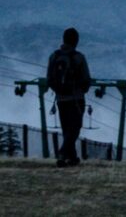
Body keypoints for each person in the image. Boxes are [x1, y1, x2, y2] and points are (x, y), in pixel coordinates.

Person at [46, 27, 92, 168]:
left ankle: (72, 158)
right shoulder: (79, 57)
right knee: (75, 128)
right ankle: (62, 154)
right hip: (76, 98)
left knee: (67, 128)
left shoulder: (54, 56)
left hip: (60, 99)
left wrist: (59, 90)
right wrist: (80, 90)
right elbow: (86, 80)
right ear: (76, 41)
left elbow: (49, 78)